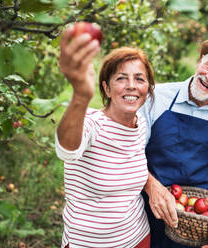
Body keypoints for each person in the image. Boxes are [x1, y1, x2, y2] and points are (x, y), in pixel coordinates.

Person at [138, 40, 208, 248]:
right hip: (141, 205)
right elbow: (130, 152)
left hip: (191, 220)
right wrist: (152, 187)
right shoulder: (157, 97)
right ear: (200, 61)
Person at [55, 26, 155, 248]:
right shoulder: (91, 123)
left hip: (137, 237)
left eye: (140, 79)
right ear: (106, 88)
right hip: (88, 243)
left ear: (147, 89)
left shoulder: (141, 125)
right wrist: (81, 96)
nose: (131, 85)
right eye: (121, 78)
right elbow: (66, 150)